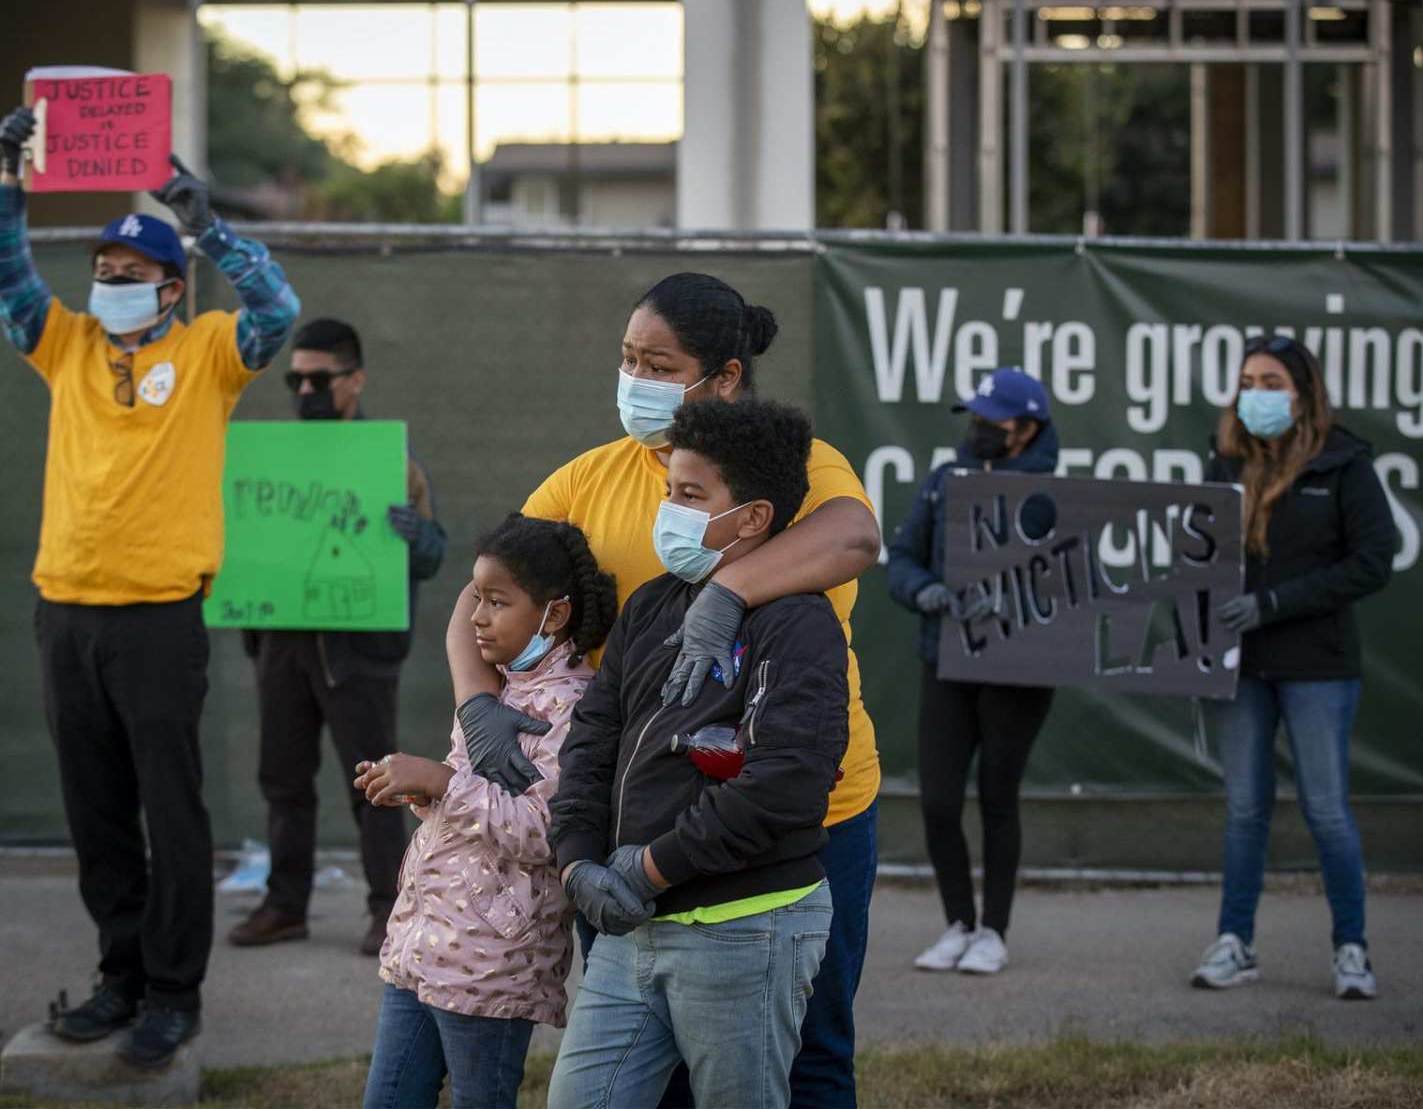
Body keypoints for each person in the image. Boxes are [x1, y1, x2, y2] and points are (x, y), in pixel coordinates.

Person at [444, 272, 879, 1107]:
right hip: (632, 818)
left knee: (809, 1054)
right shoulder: (585, 481)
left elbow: (853, 535)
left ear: (723, 378)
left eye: (658, 363)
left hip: (794, 816)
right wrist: (475, 701)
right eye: (627, 360)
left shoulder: (792, 463)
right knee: (652, 1066)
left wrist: (729, 591)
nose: (635, 381)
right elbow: (485, 590)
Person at [0, 107, 300, 1064]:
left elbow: (276, 311)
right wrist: (9, 184)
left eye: (132, 275)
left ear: (172, 285)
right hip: (66, 612)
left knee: (172, 809)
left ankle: (173, 992)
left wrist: (210, 227)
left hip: (158, 616)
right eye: (103, 272)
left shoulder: (206, 351)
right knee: (97, 811)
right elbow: (2, 273)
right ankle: (119, 980)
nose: (111, 285)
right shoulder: (66, 344)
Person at [546, 397, 849, 1109]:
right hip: (628, 924)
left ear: (752, 519)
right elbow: (592, 739)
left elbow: (787, 785)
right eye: (668, 491)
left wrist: (652, 868)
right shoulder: (651, 604)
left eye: (690, 495)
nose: (669, 510)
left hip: (747, 928)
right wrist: (577, 860)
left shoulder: (799, 623)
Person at [352, 513, 617, 1109]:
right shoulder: (494, 687)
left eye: (497, 601)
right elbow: (475, 811)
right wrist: (420, 791)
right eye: (478, 598)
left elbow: (546, 833)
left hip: (493, 966)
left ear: (554, 613)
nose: (476, 616)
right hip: (423, 944)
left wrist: (443, 782)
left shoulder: (575, 707)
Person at [229, 318, 447, 956]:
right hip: (281, 642)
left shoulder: (391, 460)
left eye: (317, 378)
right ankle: (284, 904)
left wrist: (412, 534)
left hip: (359, 651)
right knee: (283, 780)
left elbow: (435, 552)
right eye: (295, 379)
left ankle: (390, 908)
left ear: (355, 380)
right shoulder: (270, 461)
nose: (303, 390)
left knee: (377, 784)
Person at [1192, 334, 1395, 1000]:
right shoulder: (1222, 463)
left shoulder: (1345, 462)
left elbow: (1372, 560)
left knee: (1328, 812)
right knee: (1245, 811)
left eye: (1272, 382)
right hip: (1239, 669)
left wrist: (1273, 603)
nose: (1257, 394)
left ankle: (1351, 951)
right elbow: (1196, 555)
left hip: (1319, 667)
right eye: (1248, 381)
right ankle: (1234, 942)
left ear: (1304, 393)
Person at [886, 368, 1060, 977]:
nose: (979, 428)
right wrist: (927, 592)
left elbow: (1063, 583)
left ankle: (995, 931)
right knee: (938, 802)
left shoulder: (1055, 494)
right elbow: (902, 558)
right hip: (946, 661)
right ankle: (958, 923)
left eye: (994, 418)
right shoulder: (943, 482)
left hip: (1019, 671)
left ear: (1028, 428)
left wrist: (1011, 602)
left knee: (997, 798)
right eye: (976, 415)